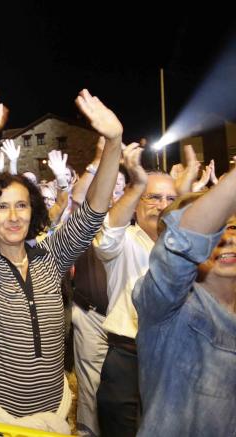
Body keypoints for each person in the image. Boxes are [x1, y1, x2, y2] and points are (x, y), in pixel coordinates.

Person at [0, 81, 122, 433]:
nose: (13, 216)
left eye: (22, 205)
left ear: (34, 210)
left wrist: (114, 142)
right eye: (2, 207)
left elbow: (92, 213)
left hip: (48, 421)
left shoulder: (50, 257)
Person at [132, 169, 236, 436]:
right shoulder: (165, 308)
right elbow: (182, 245)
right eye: (214, 231)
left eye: (233, 226)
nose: (226, 238)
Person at [92, 144, 178, 437]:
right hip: (129, 359)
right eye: (153, 197)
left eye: (170, 198)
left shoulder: (188, 248)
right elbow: (106, 238)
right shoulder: (124, 242)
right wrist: (136, 183)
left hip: (175, 359)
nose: (162, 204)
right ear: (136, 202)